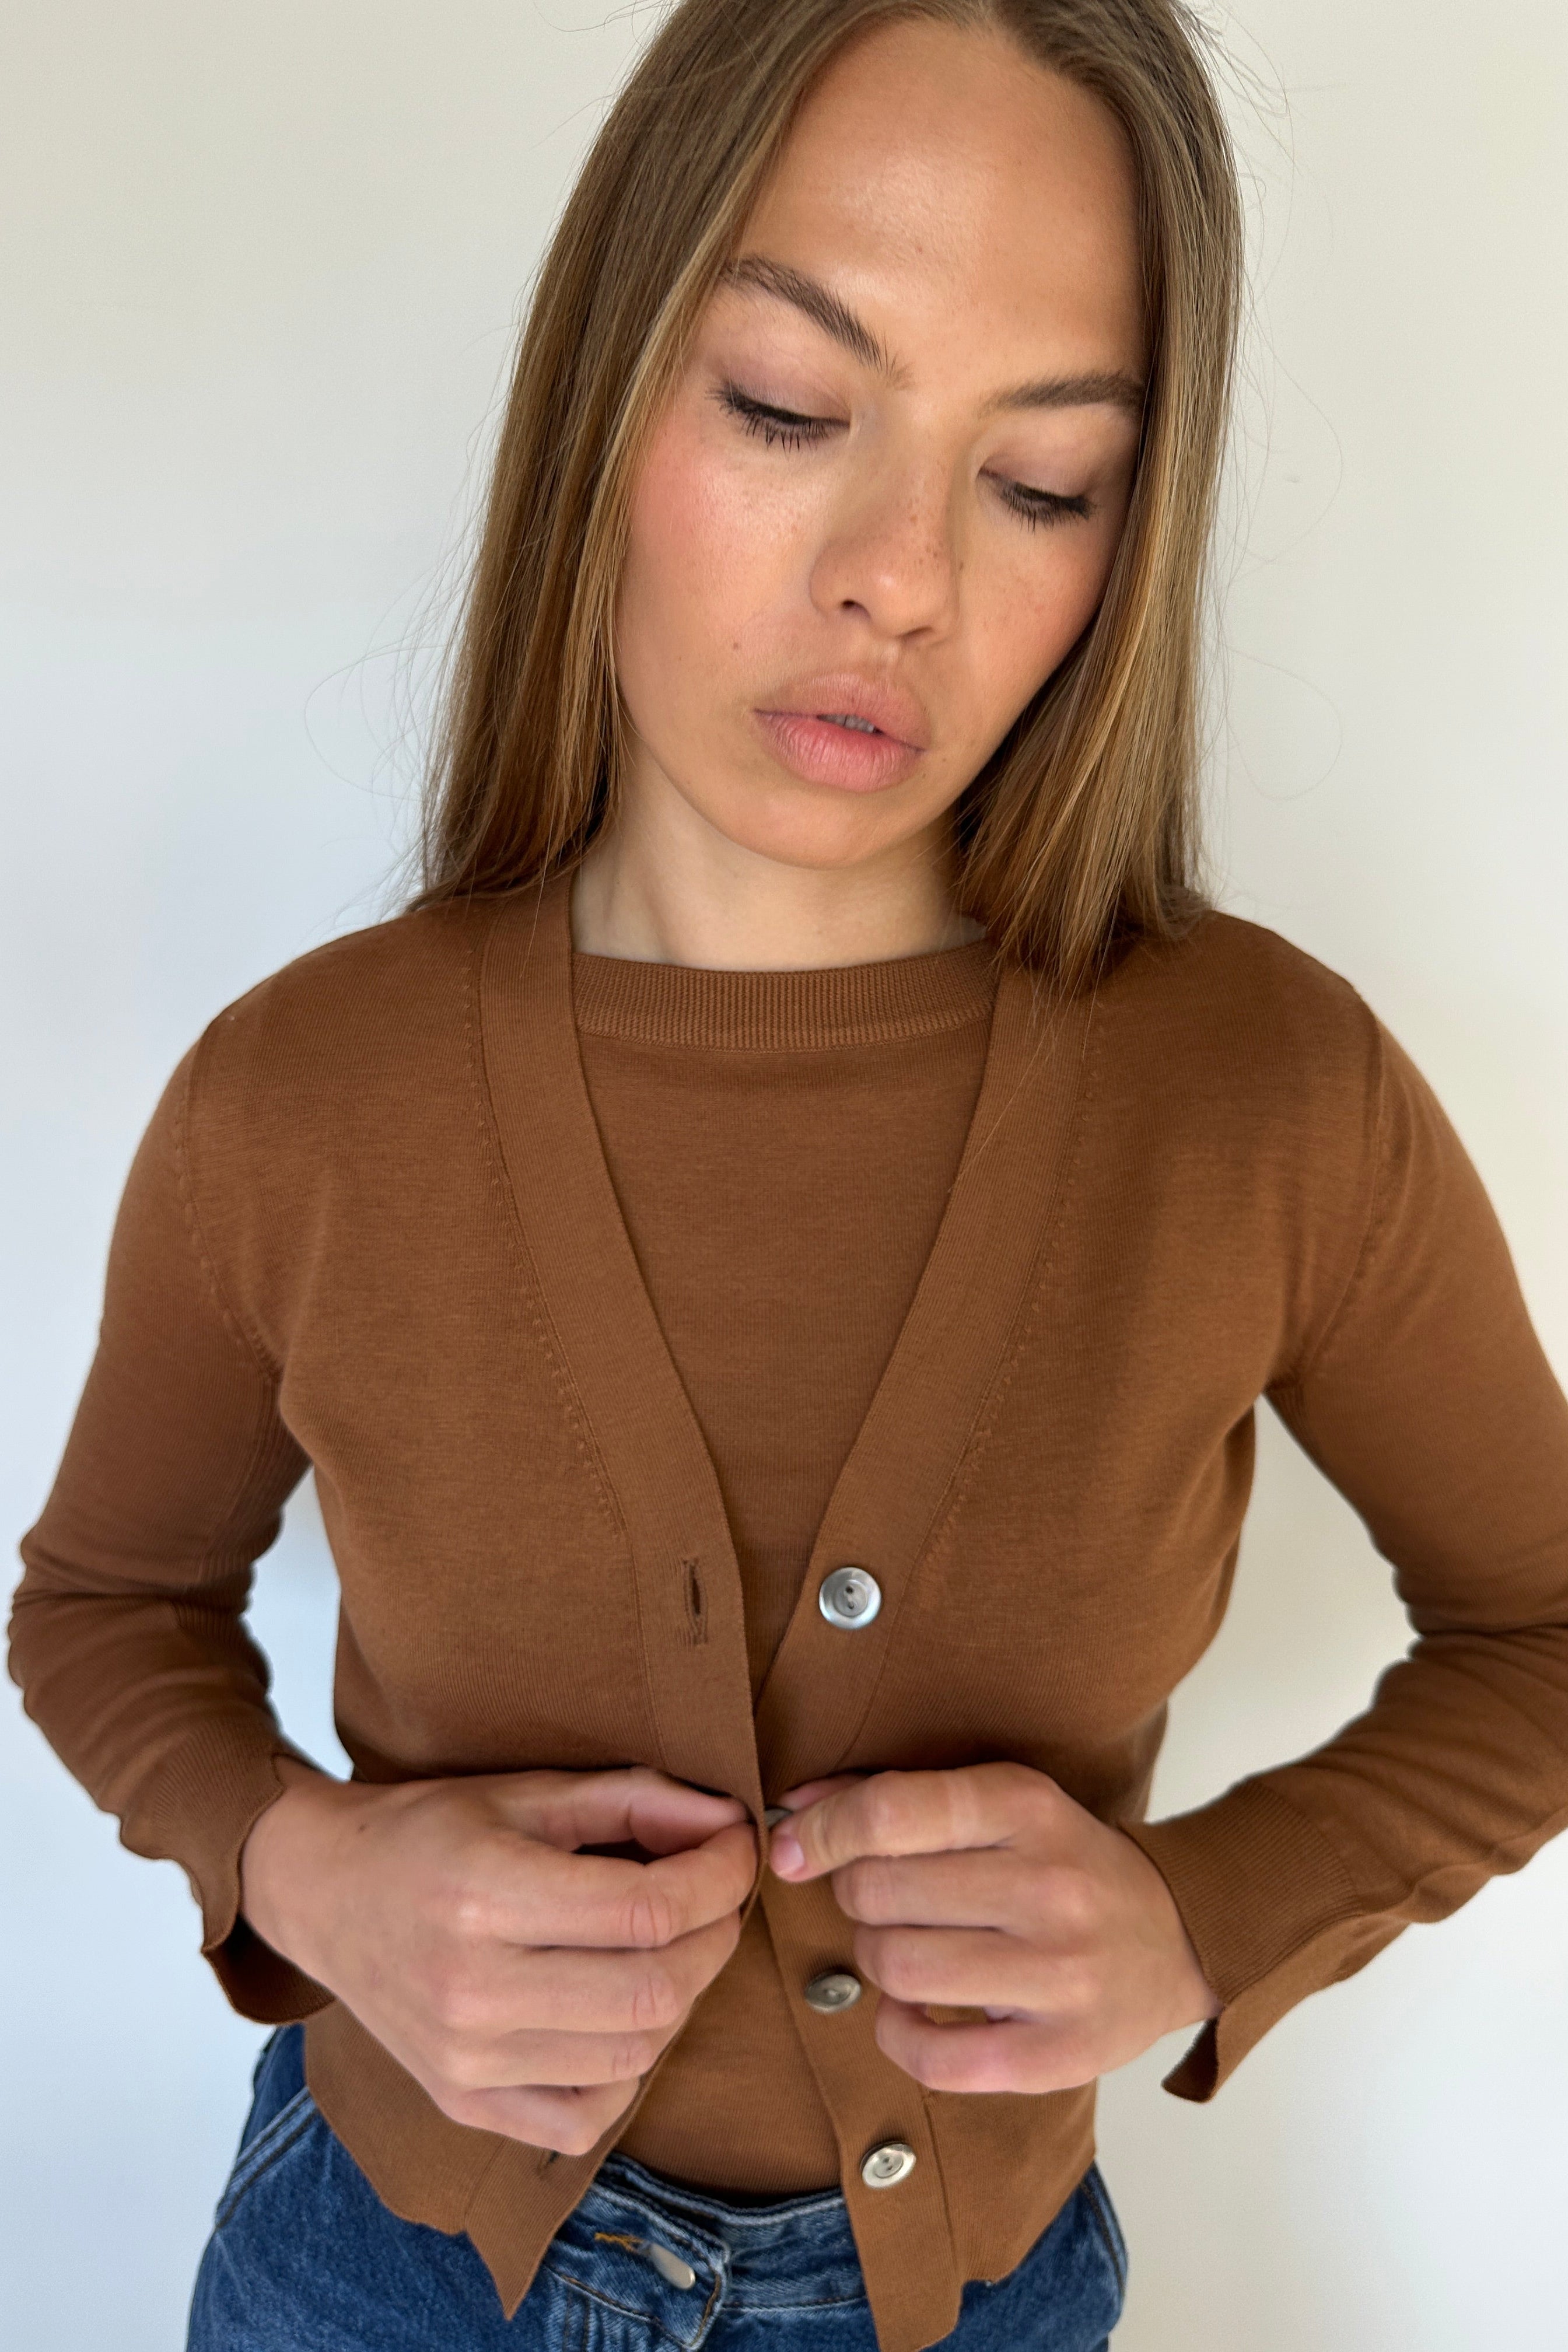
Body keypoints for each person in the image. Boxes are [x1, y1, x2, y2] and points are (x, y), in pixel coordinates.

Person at [11, 0, 1568, 2346]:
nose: (900, 580)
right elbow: (102, 1613)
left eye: (1042, 483)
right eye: (785, 405)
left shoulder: (1267, 1098)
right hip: (373, 2279)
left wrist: (1209, 1910)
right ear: (613, 392)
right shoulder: (299, 1098)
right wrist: (310, 1869)